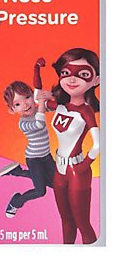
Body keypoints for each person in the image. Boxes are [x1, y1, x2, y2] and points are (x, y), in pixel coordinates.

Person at [34, 48, 100, 244]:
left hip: (77, 170)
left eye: (83, 74)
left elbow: (98, 144)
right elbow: (37, 98)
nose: (72, 79)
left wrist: (84, 165)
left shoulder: (86, 111)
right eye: (66, 72)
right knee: (66, 221)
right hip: (59, 169)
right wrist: (36, 70)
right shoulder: (60, 106)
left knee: (83, 224)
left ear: (96, 80)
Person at [0, 79, 56, 218]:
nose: (24, 104)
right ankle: (16, 202)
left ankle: (17, 171)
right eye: (17, 104)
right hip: (34, 159)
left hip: (46, 156)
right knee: (40, 191)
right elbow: (39, 124)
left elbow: (54, 106)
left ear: (32, 95)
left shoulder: (37, 109)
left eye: (27, 97)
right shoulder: (23, 123)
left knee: (55, 183)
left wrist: (50, 96)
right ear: (12, 110)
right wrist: (41, 102)